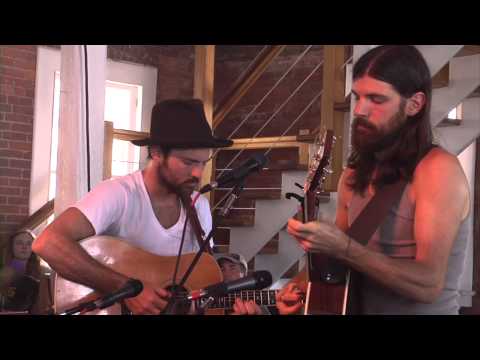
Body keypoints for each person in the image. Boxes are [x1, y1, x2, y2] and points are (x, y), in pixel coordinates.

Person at [286, 45, 471, 314]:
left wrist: (343, 247)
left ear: (414, 104)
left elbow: (429, 284)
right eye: (358, 96)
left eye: (376, 99)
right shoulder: (353, 175)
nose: (360, 110)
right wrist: (298, 288)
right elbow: (340, 265)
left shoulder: (437, 170)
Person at [32, 99, 234, 315]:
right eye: (188, 162)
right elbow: (47, 243)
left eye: (203, 163)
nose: (198, 173)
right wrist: (127, 290)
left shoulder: (199, 207)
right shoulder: (119, 194)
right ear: (156, 152)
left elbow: (199, 285)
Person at [0, 229, 52, 314]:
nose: (24, 247)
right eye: (19, 243)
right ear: (11, 246)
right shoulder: (3, 272)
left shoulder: (44, 271)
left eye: (29, 243)